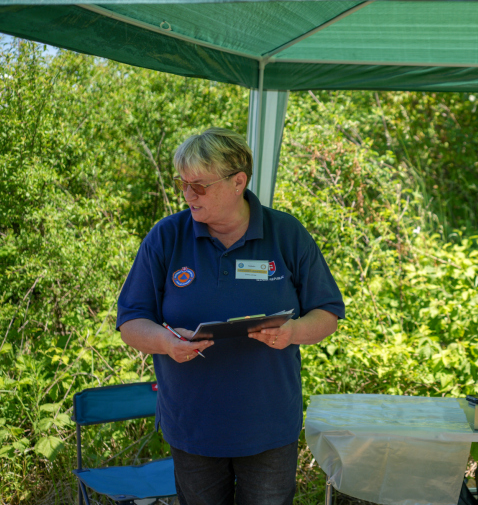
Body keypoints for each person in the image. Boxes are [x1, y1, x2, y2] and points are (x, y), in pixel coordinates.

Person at [117, 127, 345, 505]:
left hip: (268, 426)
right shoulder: (167, 237)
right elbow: (131, 321)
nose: (189, 194)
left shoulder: (285, 233)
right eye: (182, 183)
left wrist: (293, 331)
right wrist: (165, 343)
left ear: (238, 181)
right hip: (193, 426)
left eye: (200, 185)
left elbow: (328, 313)